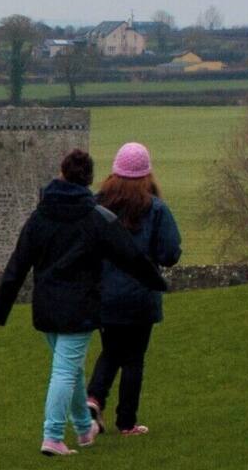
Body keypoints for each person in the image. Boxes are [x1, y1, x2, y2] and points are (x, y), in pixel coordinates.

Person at [0, 149, 169, 457]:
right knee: (64, 371)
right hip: (80, 308)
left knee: (70, 370)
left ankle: (85, 428)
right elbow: (129, 256)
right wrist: (157, 282)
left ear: (61, 172)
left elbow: (18, 264)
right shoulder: (96, 218)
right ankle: (53, 435)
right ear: (88, 179)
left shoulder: (40, 215)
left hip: (45, 307)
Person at [85, 143, 182, 437]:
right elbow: (169, 253)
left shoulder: (96, 206)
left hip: (104, 294)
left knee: (111, 351)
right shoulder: (155, 208)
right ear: (146, 174)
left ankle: (93, 399)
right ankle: (126, 423)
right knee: (133, 359)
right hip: (141, 295)